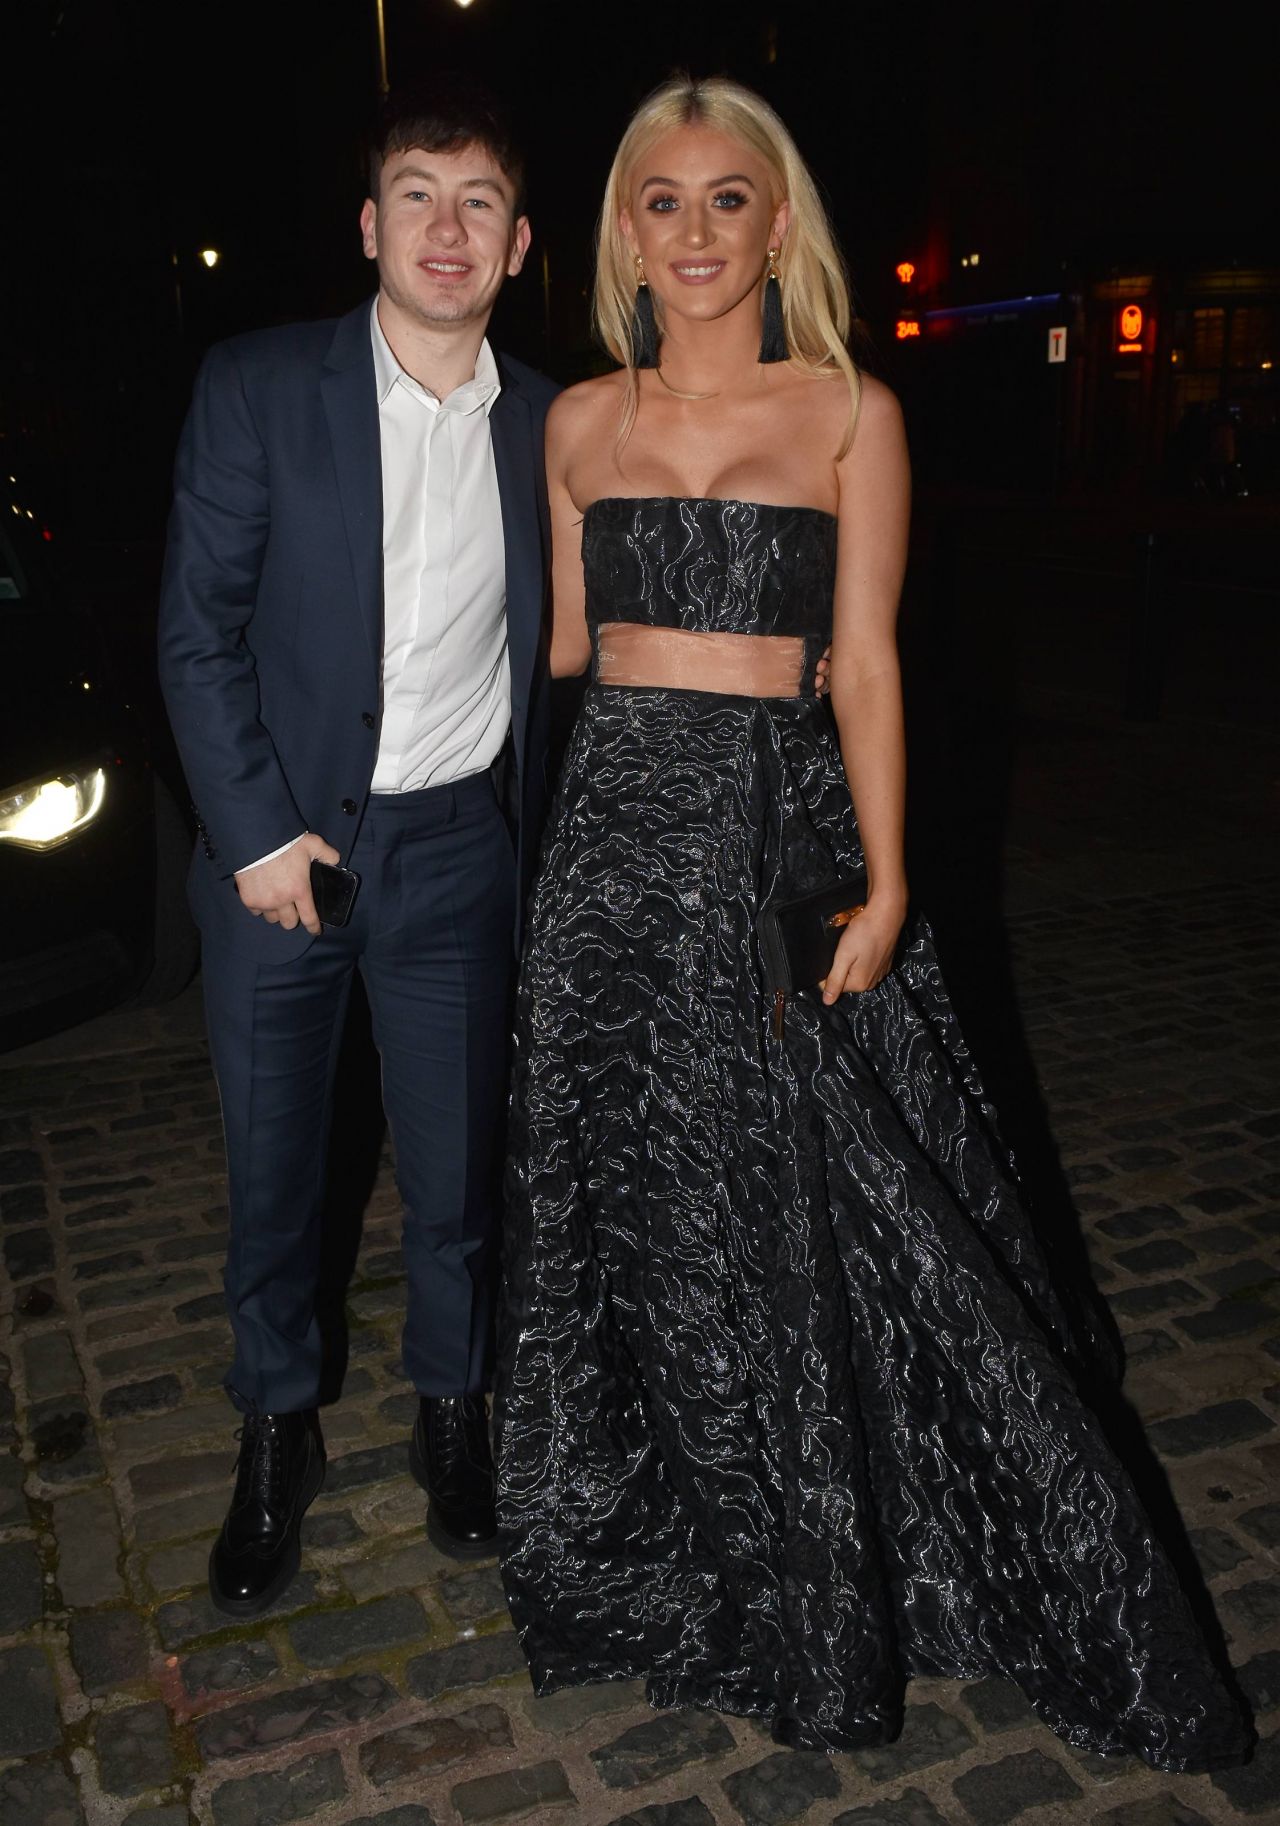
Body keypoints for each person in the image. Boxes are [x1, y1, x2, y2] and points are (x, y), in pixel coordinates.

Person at [494, 75, 1248, 1769]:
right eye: (663, 201)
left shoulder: (850, 410)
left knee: (807, 1190)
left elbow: (875, 666)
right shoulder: (576, 424)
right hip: (612, 854)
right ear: (624, 232)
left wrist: (891, 878)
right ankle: (675, 1536)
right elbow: (560, 655)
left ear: (780, 225)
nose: (696, 231)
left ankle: (838, 1556)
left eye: (728, 198)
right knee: (638, 1193)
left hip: (777, 836)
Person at [157, 79, 558, 1615]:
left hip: (457, 847)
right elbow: (195, 633)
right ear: (370, 225)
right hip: (282, 857)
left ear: (517, 243)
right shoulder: (259, 386)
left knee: (456, 1174)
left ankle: (455, 1410)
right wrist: (255, 832)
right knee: (275, 1178)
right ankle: (278, 1427)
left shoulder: (553, 425)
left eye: (477, 202)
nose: (445, 228)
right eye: (416, 195)